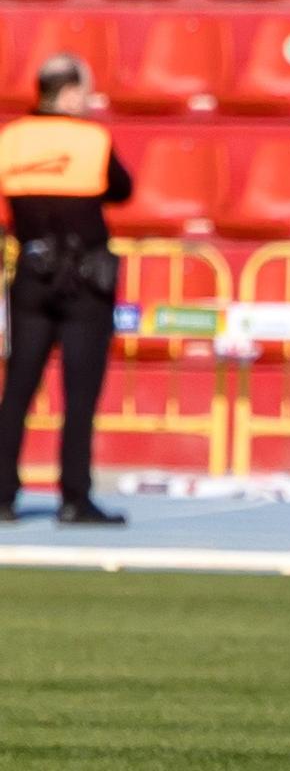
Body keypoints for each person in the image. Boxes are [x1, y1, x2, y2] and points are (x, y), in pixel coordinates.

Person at [0, 55, 135, 526]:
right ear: (71, 93)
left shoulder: (11, 137)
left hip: (32, 277)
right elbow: (121, 188)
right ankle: (75, 497)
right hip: (84, 282)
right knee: (79, 394)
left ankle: (2, 495)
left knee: (17, 388)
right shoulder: (91, 138)